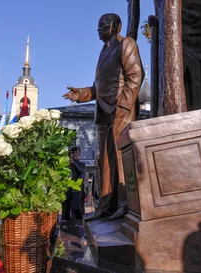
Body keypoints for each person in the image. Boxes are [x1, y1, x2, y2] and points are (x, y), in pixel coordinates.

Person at [63, 13, 144, 221]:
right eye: (97, 26)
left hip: (120, 110)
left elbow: (135, 75)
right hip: (104, 113)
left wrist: (123, 105)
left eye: (102, 25)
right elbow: (99, 87)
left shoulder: (126, 44)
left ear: (115, 26)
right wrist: (81, 94)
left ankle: (126, 205)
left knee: (122, 157)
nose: (98, 29)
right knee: (106, 162)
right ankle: (106, 206)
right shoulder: (103, 51)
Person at [61, 147, 86, 220]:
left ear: (79, 154)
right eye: (73, 152)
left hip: (76, 189)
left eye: (76, 153)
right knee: (65, 208)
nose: (74, 154)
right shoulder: (66, 164)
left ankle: (78, 224)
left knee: (76, 208)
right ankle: (65, 224)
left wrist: (74, 163)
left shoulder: (82, 164)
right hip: (67, 189)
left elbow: (81, 173)